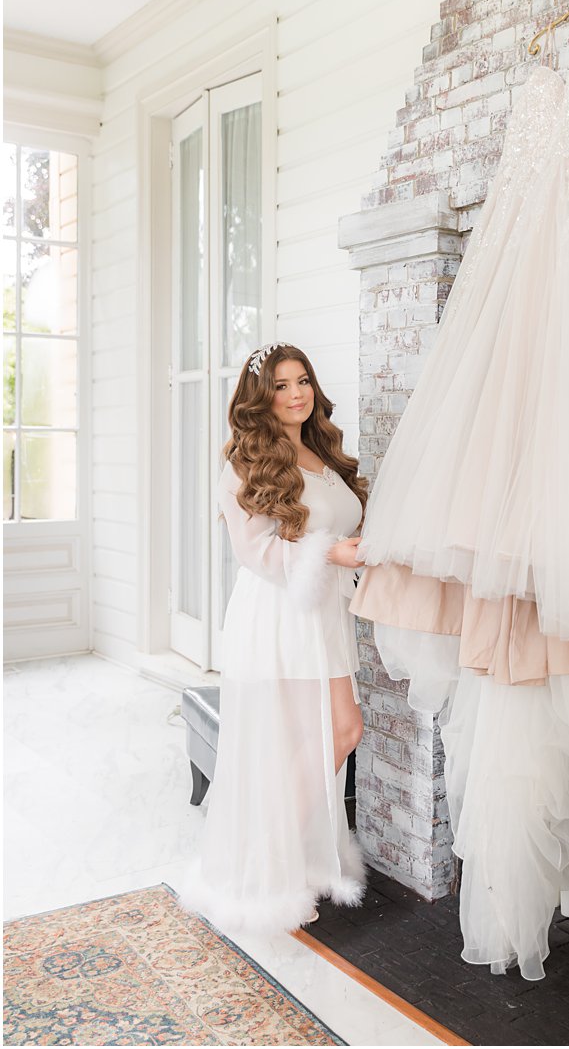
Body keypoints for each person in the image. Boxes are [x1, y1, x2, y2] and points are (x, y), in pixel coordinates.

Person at [177, 342, 369, 933]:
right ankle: (263, 860)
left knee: (335, 733)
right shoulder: (245, 462)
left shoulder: (322, 453)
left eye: (303, 381)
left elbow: (347, 520)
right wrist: (332, 553)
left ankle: (277, 856)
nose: (296, 394)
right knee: (320, 735)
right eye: (282, 386)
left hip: (326, 614)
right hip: (279, 613)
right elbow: (255, 551)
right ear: (261, 397)